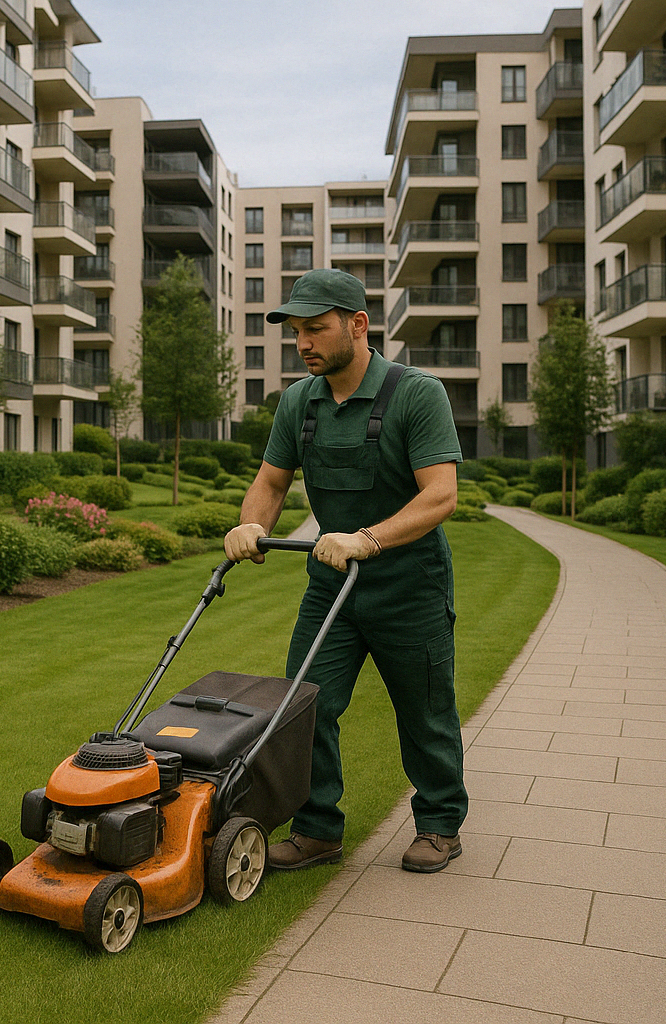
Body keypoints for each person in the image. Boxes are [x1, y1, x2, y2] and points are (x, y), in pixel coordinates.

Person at [222, 268, 467, 874]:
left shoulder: (417, 393)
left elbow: (441, 495)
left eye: (316, 329)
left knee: (424, 708)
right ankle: (317, 830)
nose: (303, 342)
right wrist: (251, 524)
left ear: (358, 325)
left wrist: (368, 539)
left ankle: (439, 825)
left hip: (410, 586)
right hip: (331, 585)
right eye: (296, 332)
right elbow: (271, 482)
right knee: (305, 706)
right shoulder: (299, 402)